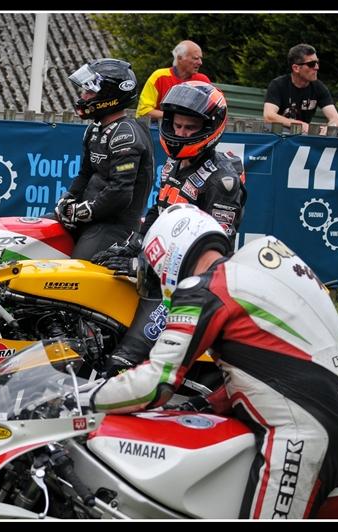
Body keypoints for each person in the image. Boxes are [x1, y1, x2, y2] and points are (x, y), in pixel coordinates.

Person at [86, 203, 338, 519]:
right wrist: (201, 406)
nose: (156, 281)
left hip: (299, 437)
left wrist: (81, 397)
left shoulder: (206, 288)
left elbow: (155, 384)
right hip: (330, 421)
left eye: (153, 270)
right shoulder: (253, 267)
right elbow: (274, 366)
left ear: (169, 254)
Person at [93, 80, 247, 376]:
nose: (180, 133)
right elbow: (158, 211)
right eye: (177, 125)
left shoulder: (221, 182)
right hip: (154, 274)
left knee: (119, 366)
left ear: (209, 127)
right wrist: (134, 244)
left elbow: (212, 256)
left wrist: (141, 263)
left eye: (190, 128)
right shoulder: (174, 165)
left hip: (183, 290)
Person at [53, 58, 155, 260]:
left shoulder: (126, 135)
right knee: (34, 238)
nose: (83, 96)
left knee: (74, 273)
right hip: (89, 220)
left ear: (110, 96)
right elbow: (85, 174)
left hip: (115, 226)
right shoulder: (94, 129)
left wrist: (79, 211)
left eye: (89, 91)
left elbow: (120, 193)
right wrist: (67, 199)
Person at [263, 44, 338, 134]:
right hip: (278, 137)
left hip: (302, 138)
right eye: (311, 64)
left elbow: (335, 118)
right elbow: (268, 116)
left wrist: (330, 128)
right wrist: (300, 125)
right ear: (296, 68)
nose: (317, 67)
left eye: (317, 62)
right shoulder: (278, 84)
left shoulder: (319, 87)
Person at [135, 40, 210, 122]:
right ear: (180, 58)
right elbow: (143, 112)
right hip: (159, 128)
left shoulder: (203, 81)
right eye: (195, 58)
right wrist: (176, 117)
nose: (200, 62)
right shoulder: (159, 77)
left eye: (200, 58)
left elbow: (213, 108)